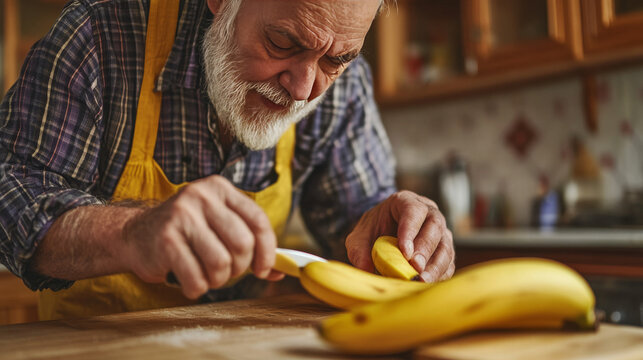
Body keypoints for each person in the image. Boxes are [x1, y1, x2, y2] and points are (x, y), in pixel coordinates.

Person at [0, 0, 455, 320]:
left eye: (337, 60)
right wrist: (131, 233)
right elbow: (13, 193)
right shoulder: (98, 37)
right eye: (282, 41)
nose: (303, 89)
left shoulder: (341, 85)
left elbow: (357, 226)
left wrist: (396, 233)